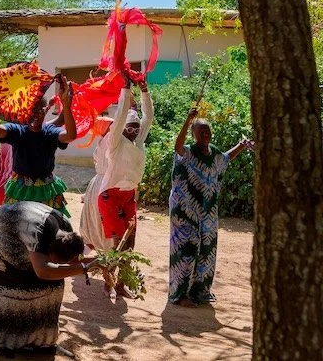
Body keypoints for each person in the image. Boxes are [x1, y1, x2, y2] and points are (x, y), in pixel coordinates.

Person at [0, 201, 95, 355]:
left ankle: (41, 341)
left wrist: (100, 262)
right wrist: (84, 268)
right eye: (54, 260)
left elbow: (73, 261)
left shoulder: (66, 231)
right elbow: (43, 271)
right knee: (9, 287)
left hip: (20, 233)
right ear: (48, 250)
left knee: (52, 285)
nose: (55, 263)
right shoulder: (36, 233)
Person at [169, 107, 252, 308]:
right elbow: (178, 147)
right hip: (185, 211)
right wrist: (188, 120)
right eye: (201, 131)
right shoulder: (188, 152)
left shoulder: (214, 153)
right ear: (194, 134)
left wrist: (241, 146)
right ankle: (179, 295)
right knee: (187, 249)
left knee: (207, 249)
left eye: (207, 130)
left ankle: (199, 291)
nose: (205, 134)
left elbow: (226, 158)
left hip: (207, 212)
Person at [0, 74, 76, 217]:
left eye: (39, 111)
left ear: (45, 110)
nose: (35, 115)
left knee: (53, 225)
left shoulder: (49, 132)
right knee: (14, 223)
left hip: (46, 189)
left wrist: (65, 101)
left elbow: (70, 135)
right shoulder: (18, 130)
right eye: (31, 111)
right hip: (20, 188)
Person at [94, 77, 153, 297]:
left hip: (129, 196)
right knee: (118, 241)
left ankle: (121, 283)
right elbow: (118, 119)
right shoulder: (114, 143)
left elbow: (149, 117)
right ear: (122, 129)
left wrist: (144, 91)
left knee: (130, 241)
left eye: (137, 128)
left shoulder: (138, 142)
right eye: (130, 128)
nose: (135, 131)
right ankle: (109, 280)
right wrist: (125, 90)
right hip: (110, 196)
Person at [78, 115, 114, 250]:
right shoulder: (109, 141)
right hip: (105, 182)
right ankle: (105, 245)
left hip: (98, 182)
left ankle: (93, 243)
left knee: (94, 214)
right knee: (101, 215)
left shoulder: (103, 142)